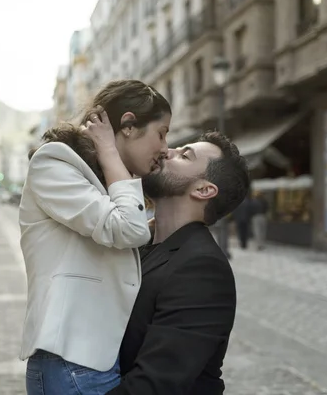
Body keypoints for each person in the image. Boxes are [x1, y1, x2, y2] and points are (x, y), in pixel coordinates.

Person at [20, 80, 172, 395]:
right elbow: (127, 229)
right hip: (73, 361)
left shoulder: (106, 181)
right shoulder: (54, 163)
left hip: (95, 360)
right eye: (162, 133)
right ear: (129, 125)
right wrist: (109, 153)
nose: (165, 147)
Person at [107, 131, 250, 395]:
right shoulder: (137, 243)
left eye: (184, 155)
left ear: (204, 189)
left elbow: (155, 385)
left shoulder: (202, 268)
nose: (166, 151)